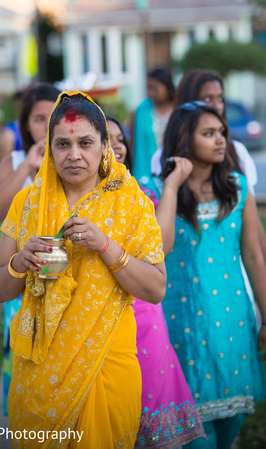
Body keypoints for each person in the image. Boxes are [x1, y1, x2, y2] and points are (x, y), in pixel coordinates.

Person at [0, 91, 167, 449]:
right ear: (49, 149)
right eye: (62, 144)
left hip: (106, 364)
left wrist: (106, 246)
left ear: (105, 146)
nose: (73, 154)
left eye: (85, 142)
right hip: (40, 371)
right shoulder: (28, 203)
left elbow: (156, 289)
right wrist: (20, 262)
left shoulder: (131, 201)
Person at [158, 102, 266, 449]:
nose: (220, 140)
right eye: (208, 134)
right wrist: (171, 186)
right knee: (195, 433)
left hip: (233, 324)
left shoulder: (237, 188)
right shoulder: (157, 189)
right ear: (184, 139)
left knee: (231, 422)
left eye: (221, 132)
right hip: (181, 324)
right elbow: (158, 248)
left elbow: (253, 255)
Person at [107, 116, 205, 448]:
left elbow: (162, 245)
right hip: (95, 317)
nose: (116, 145)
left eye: (120, 138)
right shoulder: (67, 197)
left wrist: (173, 186)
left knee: (144, 416)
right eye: (105, 138)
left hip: (142, 313)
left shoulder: (141, 191)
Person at [151, 69, 266, 314]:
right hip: (181, 291)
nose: (216, 105)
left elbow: (252, 231)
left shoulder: (237, 159)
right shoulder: (163, 163)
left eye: (220, 98)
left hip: (232, 280)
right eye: (206, 98)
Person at [0, 83, 60, 414]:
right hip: (21, 286)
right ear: (25, 124)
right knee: (28, 376)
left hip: (68, 284)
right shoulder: (16, 160)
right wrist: (27, 167)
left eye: (52, 118)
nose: (45, 126)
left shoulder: (75, 158)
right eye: (38, 119)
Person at [131, 67, 175, 185]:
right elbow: (133, 144)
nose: (150, 93)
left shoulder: (179, 110)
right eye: (148, 88)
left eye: (155, 88)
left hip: (174, 172)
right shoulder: (141, 111)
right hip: (145, 175)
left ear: (167, 87)